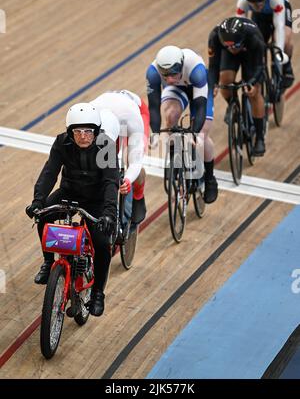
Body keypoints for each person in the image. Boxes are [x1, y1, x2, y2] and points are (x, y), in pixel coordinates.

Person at [25, 103, 120, 317]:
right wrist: (38, 201)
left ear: (96, 132)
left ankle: (97, 293)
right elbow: (50, 172)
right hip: (70, 192)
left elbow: (110, 182)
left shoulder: (106, 145)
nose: (83, 136)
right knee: (44, 217)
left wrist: (108, 213)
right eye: (78, 131)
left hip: (96, 199)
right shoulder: (61, 142)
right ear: (70, 132)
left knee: (103, 243)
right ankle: (49, 262)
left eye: (88, 131)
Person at [146, 45, 218, 204]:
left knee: (202, 134)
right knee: (170, 116)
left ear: (181, 65)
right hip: (177, 89)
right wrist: (155, 133)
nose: (170, 79)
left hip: (198, 88)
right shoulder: (153, 73)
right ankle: (176, 160)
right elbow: (153, 106)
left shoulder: (196, 69)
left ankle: (210, 178)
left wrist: (194, 133)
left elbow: (199, 106)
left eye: (173, 74)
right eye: (166, 76)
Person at [208, 16, 266, 156]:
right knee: (225, 80)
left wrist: (252, 82)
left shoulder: (253, 37)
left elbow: (260, 67)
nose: (232, 49)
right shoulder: (215, 36)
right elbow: (213, 65)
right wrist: (214, 85)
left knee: (254, 93)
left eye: (235, 46)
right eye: (229, 46)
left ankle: (259, 138)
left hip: (250, 55)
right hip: (229, 55)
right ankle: (232, 104)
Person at [91, 89, 150, 224]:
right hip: (109, 113)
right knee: (103, 160)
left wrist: (128, 180)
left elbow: (136, 162)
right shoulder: (89, 115)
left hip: (137, 111)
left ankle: (139, 196)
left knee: (132, 159)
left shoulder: (133, 119)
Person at [236, 0, 294, 88]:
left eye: (258, 4)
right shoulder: (243, 2)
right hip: (260, 16)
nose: (255, 7)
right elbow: (242, 28)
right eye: (252, 5)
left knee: (285, 40)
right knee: (255, 43)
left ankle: (287, 67)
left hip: (279, 11)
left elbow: (279, 26)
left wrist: (279, 52)